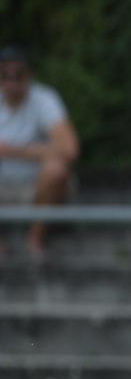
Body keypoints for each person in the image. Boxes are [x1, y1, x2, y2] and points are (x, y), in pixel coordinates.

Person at [0, 46, 79, 259]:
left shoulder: (44, 98)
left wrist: (13, 151)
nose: (11, 82)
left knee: (56, 169)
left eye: (18, 75)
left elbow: (69, 148)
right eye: (5, 75)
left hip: (37, 187)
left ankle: (35, 239)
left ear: (29, 75)